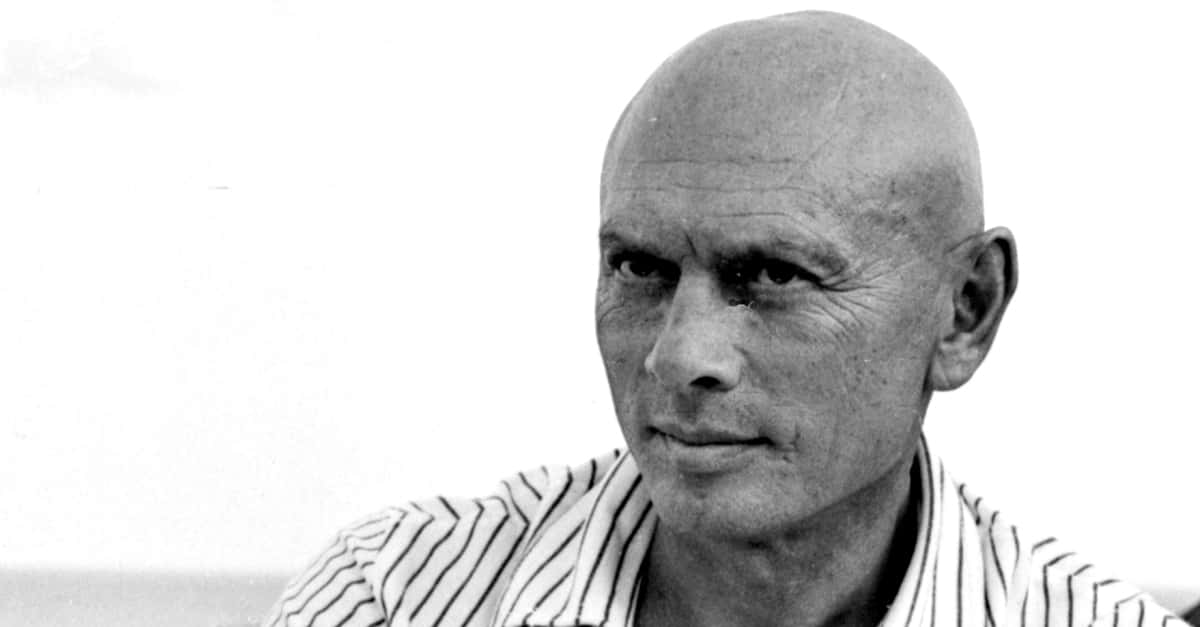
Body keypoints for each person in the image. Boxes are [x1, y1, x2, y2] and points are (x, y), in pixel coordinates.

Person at [263, 11, 1187, 627]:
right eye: (639, 268)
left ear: (966, 311)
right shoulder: (392, 597)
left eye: (773, 275)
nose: (679, 354)